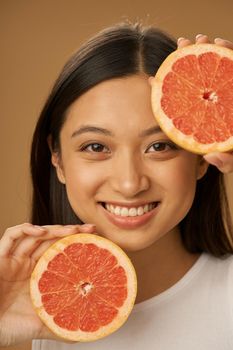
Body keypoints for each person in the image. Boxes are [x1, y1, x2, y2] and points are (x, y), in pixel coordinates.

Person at [1, 22, 233, 350]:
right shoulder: (37, 317)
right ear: (58, 158)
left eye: (159, 146)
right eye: (96, 147)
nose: (129, 183)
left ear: (199, 159)